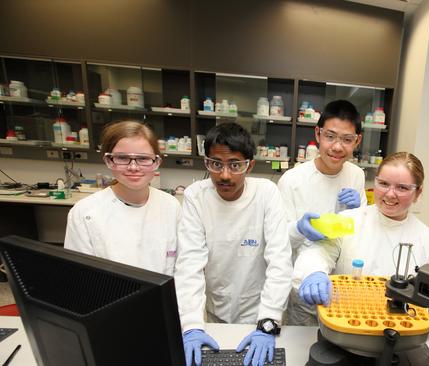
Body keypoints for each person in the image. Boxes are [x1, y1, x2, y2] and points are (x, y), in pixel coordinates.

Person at [174, 122, 292, 366]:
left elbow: (279, 261)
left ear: (250, 166)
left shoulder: (266, 193)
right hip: (213, 314)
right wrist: (191, 326)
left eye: (235, 165)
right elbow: (189, 265)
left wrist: (268, 323)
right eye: (216, 164)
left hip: (259, 313)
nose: (225, 175)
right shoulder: (197, 195)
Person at [292, 152, 429, 317]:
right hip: (345, 324)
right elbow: (318, 252)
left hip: (400, 331)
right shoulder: (349, 220)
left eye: (402, 188)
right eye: (384, 184)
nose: (390, 194)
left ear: (418, 193)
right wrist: (314, 272)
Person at [278, 100, 367, 325]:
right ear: (318, 134)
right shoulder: (292, 180)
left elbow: (362, 232)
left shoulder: (356, 175)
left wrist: (360, 211)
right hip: (304, 287)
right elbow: (278, 243)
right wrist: (299, 229)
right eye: (330, 136)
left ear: (358, 140)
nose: (337, 147)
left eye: (347, 139)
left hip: (343, 289)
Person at [64, 120, 180, 275]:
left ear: (156, 162)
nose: (133, 167)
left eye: (143, 158)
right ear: (108, 160)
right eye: (123, 158)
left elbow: (181, 267)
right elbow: (79, 275)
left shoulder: (171, 206)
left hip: (162, 297)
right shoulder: (85, 212)